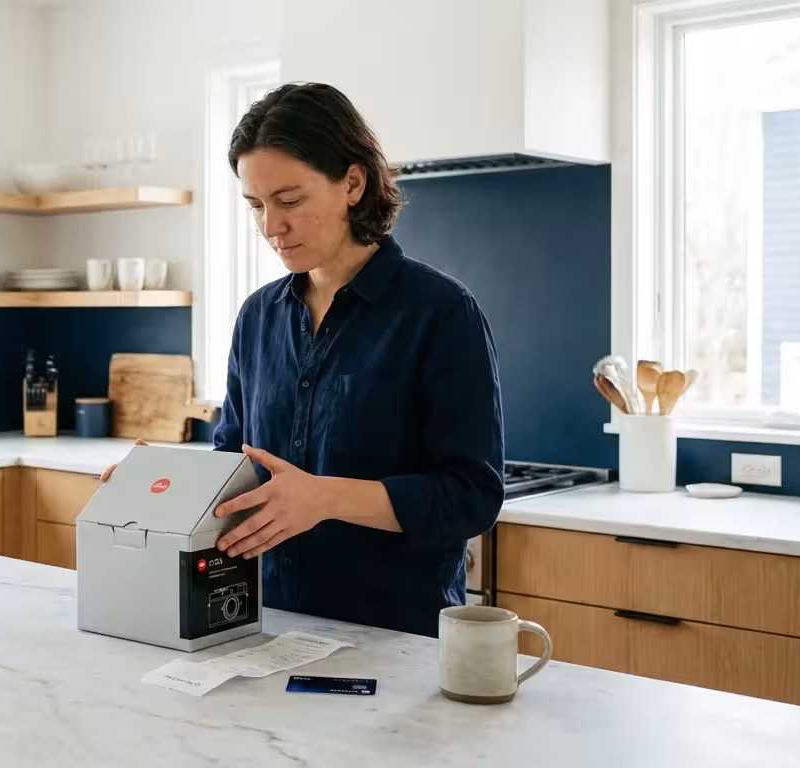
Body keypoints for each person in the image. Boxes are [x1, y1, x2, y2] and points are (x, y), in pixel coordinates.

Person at [104, 82, 504, 638]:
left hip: (394, 640)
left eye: (289, 201)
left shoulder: (441, 313)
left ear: (353, 184)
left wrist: (325, 497)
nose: (271, 227)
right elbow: (236, 469)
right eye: (256, 206)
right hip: (261, 624)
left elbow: (471, 497)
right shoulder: (257, 317)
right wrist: (161, 485)